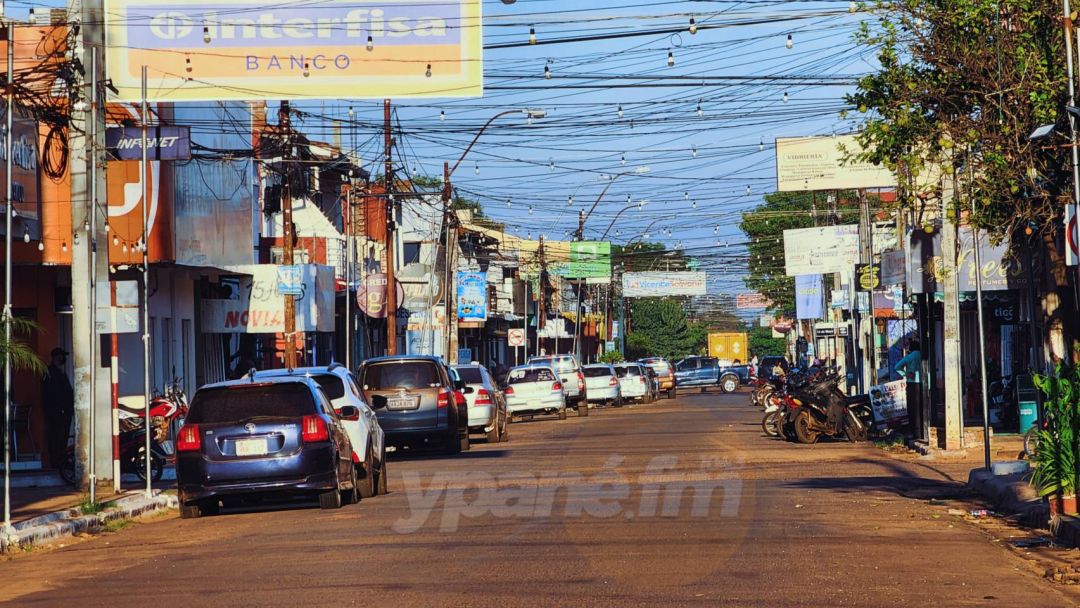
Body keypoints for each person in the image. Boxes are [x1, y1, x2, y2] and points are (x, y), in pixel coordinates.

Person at [41, 347, 74, 469]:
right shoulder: (52, 372)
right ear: (56, 357)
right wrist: (60, 409)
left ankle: (61, 461)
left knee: (62, 437)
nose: (63, 358)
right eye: (62, 356)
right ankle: (57, 462)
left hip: (63, 411)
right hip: (57, 412)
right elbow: (54, 394)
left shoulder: (60, 372)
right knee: (57, 437)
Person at [895, 339, 922, 433]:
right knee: (922, 408)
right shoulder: (923, 355)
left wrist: (906, 373)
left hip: (912, 384)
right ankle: (922, 430)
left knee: (912, 408)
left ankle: (915, 431)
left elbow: (897, 366)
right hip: (924, 384)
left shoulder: (909, 357)